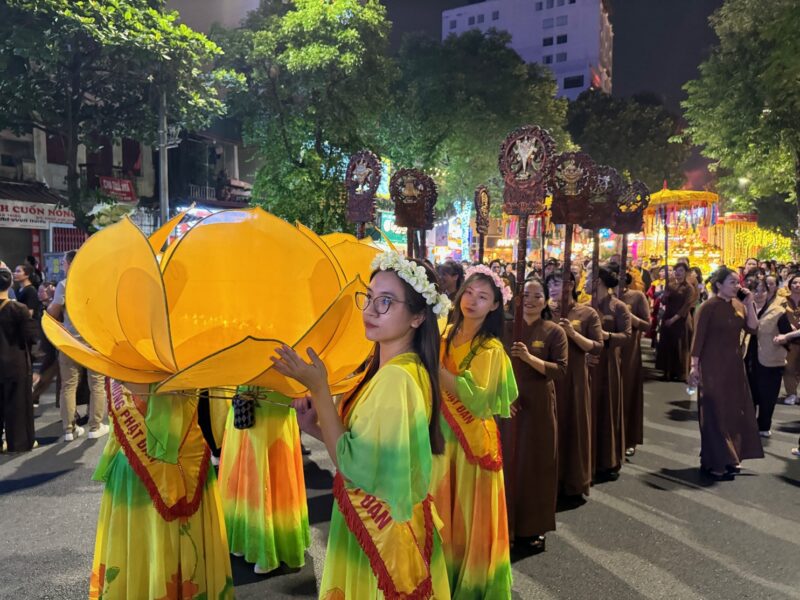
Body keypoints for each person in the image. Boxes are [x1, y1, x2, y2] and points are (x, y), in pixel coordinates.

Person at [272, 252, 451, 599]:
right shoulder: (401, 369)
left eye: (386, 302)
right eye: (368, 298)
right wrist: (315, 427)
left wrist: (319, 388)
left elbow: (354, 466)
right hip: (387, 522)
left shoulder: (396, 379)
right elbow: (364, 450)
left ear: (417, 317)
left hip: (379, 529)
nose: (370, 310)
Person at [89, 381, 234, 599]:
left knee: (143, 554)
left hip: (138, 468)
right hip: (177, 463)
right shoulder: (189, 359)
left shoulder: (118, 360)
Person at [431, 264, 517, 598]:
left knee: (467, 515)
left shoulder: (490, 349)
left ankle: (470, 584)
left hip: (470, 443)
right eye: (468, 292)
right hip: (440, 432)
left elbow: (477, 399)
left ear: (495, 305)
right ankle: (440, 579)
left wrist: (435, 368)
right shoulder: (444, 333)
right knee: (440, 507)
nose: (472, 300)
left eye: (482, 297)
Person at [502, 278, 567, 554]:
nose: (530, 300)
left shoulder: (554, 331)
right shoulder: (505, 328)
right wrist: (502, 396)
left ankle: (532, 527)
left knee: (536, 464)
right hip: (507, 404)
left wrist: (529, 358)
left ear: (545, 301)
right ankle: (503, 525)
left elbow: (560, 370)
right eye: (525, 295)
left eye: (537, 295)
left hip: (538, 404)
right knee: (507, 464)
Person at [217, 387, 310, 575]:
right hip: (243, 402)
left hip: (274, 407)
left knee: (268, 475)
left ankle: (268, 547)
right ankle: (243, 539)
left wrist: (303, 390)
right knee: (243, 473)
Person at [688, 267, 763, 480]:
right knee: (714, 413)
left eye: (738, 282)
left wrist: (749, 304)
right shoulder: (708, 307)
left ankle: (730, 457)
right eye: (732, 282)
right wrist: (694, 366)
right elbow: (698, 339)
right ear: (719, 284)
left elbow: (753, 328)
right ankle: (715, 461)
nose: (737, 286)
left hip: (734, 366)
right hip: (711, 367)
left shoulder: (739, 305)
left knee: (733, 412)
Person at [547, 270, 603, 500]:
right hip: (549, 377)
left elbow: (597, 346)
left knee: (574, 425)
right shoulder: (545, 312)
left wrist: (572, 333)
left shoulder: (587, 313)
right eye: (550, 284)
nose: (552, 288)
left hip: (575, 378)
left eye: (557, 283)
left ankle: (573, 481)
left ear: (570, 285)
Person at [47, 250, 109, 441]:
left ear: (69, 264)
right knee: (97, 384)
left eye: (64, 263)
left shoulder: (64, 285)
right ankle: (95, 427)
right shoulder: (98, 284)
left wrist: (49, 306)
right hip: (94, 342)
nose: (63, 267)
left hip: (70, 342)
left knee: (68, 386)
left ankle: (69, 430)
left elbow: (54, 311)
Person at [585, 266, 632, 482]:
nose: (585, 282)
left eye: (588, 278)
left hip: (609, 363)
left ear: (599, 282)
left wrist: (607, 336)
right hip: (588, 362)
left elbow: (627, 336)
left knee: (607, 408)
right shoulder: (586, 307)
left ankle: (607, 459)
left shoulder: (618, 307)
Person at [745, 278, 791, 438]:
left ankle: (764, 425)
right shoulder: (745, 308)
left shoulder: (777, 311)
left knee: (768, 395)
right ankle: (749, 424)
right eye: (755, 291)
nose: (759, 294)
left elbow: (787, 335)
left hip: (770, 359)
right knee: (749, 393)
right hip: (748, 357)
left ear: (769, 291)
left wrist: (783, 339)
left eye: (762, 290)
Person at [0, 267, 37, 452]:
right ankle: (18, 443)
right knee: (17, 405)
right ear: (10, 284)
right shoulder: (18, 309)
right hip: (16, 364)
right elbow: (30, 337)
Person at [619, 272, 651, 457]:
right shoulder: (602, 298)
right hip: (607, 353)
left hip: (629, 352)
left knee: (628, 393)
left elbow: (647, 325)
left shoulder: (637, 296)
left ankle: (629, 439)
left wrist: (630, 317)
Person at [655, 263, 695, 382]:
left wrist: (673, 319)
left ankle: (681, 373)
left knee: (680, 346)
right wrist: (665, 296)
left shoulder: (689, 288)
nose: (678, 273)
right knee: (667, 345)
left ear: (686, 273)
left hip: (681, 320)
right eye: (676, 270)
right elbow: (663, 302)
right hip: (668, 316)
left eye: (681, 271)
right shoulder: (670, 285)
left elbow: (686, 306)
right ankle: (667, 371)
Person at [780, 273, 800, 405]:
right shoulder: (783, 301)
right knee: (789, 367)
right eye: (795, 283)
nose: (798, 285)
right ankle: (791, 393)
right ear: (790, 285)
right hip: (789, 339)